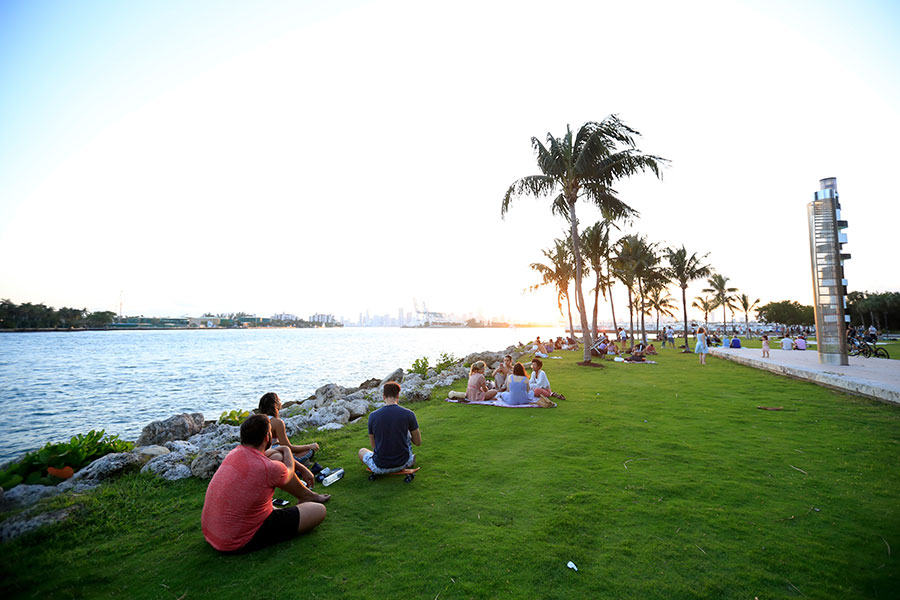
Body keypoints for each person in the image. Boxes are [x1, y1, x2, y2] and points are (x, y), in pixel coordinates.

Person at [201, 414, 329, 553]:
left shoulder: (234, 454)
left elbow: (269, 454)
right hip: (236, 540)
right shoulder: (268, 468)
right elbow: (289, 471)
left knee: (274, 461)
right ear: (267, 437)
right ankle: (307, 497)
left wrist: (287, 456)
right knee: (318, 510)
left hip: (212, 533)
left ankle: (306, 496)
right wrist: (286, 449)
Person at [357, 381, 421, 474]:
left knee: (362, 451)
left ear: (383, 397)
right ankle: (409, 459)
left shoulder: (373, 416)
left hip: (380, 466)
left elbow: (374, 446)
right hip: (403, 463)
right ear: (398, 396)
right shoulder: (409, 414)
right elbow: (418, 442)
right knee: (406, 431)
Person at [257, 392, 319, 484]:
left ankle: (299, 466)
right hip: (272, 456)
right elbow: (288, 447)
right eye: (279, 400)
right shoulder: (277, 422)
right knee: (308, 451)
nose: (281, 402)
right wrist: (309, 446)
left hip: (258, 456)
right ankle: (297, 468)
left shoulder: (257, 420)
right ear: (275, 405)